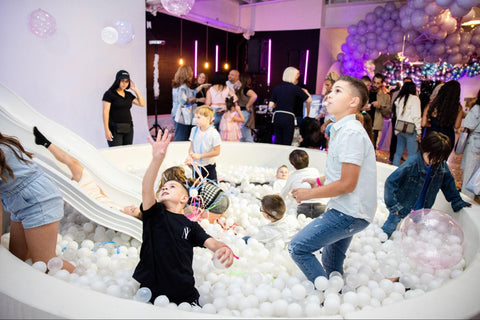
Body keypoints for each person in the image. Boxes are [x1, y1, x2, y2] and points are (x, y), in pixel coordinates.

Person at [288, 75, 376, 282]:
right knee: (331, 262)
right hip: (347, 209)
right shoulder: (342, 130)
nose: (329, 95)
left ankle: (327, 296)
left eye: (338, 91)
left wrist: (309, 194)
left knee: (298, 247)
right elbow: (341, 172)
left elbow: (347, 184)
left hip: (349, 212)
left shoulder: (351, 133)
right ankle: (336, 296)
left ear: (353, 102)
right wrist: (318, 182)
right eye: (331, 90)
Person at [132, 129, 235, 305]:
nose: (165, 188)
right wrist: (157, 159)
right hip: (152, 292)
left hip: (184, 293)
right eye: (163, 188)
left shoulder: (191, 225)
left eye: (172, 186)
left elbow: (211, 242)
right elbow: (146, 187)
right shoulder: (154, 214)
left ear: (184, 198)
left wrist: (222, 248)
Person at [0, 132, 75, 273]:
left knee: (46, 263)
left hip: (38, 200)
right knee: (17, 259)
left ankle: (80, 279)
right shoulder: (4, 144)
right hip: (21, 201)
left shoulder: (2, 149)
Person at [32, 127, 141, 217]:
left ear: (130, 216)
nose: (131, 206)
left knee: (73, 163)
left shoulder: (116, 213)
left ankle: (44, 142)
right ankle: (44, 142)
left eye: (132, 210)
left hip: (88, 193)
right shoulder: (120, 209)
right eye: (134, 207)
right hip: (94, 190)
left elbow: (99, 205)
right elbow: (106, 198)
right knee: (73, 162)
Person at [382, 132, 471, 238]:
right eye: (432, 157)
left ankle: (407, 242)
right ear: (424, 149)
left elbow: (449, 184)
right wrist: (394, 206)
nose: (435, 161)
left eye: (439, 158)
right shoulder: (412, 163)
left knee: (415, 229)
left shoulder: (441, 167)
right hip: (403, 203)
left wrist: (457, 201)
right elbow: (391, 182)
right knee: (391, 224)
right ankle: (382, 238)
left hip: (422, 206)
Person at [269, 67, 312, 145]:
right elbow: (309, 100)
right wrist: (306, 91)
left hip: (277, 116)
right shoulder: (295, 88)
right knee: (287, 142)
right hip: (288, 117)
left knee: (278, 141)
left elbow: (271, 105)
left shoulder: (277, 88)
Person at [102, 70, 145, 147]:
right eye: (122, 81)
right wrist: (106, 130)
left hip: (128, 129)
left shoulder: (128, 95)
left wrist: (135, 90)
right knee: (116, 153)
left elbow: (142, 104)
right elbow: (105, 112)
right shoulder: (109, 94)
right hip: (115, 129)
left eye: (126, 81)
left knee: (127, 152)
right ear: (117, 81)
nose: (124, 83)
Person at [280, 150, 325, 219]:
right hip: (320, 205)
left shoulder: (292, 176)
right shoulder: (314, 171)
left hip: (303, 207)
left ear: (293, 165)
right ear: (308, 160)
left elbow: (283, 195)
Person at [422, 80, 463, 153]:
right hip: (447, 138)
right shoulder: (458, 108)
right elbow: (457, 126)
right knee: (441, 161)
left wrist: (431, 123)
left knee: (427, 159)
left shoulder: (431, 105)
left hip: (432, 135)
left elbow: (423, 123)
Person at [185, 106, 221, 183]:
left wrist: (200, 156)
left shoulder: (213, 133)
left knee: (211, 188)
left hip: (209, 166)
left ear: (207, 118)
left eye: (199, 117)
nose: (195, 120)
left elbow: (217, 151)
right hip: (196, 166)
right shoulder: (194, 130)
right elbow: (191, 146)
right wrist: (190, 156)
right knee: (196, 187)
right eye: (195, 117)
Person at [392, 82, 422, 166]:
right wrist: (419, 131)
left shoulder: (399, 99)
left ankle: (394, 170)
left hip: (399, 128)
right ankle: (407, 175)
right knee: (412, 155)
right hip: (411, 129)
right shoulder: (414, 99)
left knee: (398, 152)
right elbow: (416, 116)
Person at [461, 89, 480, 198]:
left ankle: (466, 197)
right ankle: (474, 193)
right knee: (476, 169)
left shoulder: (477, 108)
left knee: (469, 169)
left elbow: (469, 125)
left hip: (474, 140)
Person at [171, 65, 198, 142]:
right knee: (180, 138)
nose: (192, 74)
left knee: (181, 137)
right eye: (191, 72)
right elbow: (183, 101)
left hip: (177, 113)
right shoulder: (183, 86)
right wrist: (196, 99)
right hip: (181, 116)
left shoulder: (177, 85)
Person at [366, 73, 391, 149]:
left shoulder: (385, 97)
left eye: (377, 83)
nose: (375, 85)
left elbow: (388, 113)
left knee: (371, 148)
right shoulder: (366, 93)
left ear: (381, 84)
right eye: (374, 82)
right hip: (363, 123)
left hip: (375, 126)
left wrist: (379, 107)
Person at [236, 73, 258, 143]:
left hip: (244, 112)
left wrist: (248, 105)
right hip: (242, 112)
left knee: (244, 132)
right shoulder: (241, 89)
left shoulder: (246, 89)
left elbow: (254, 96)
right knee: (243, 133)